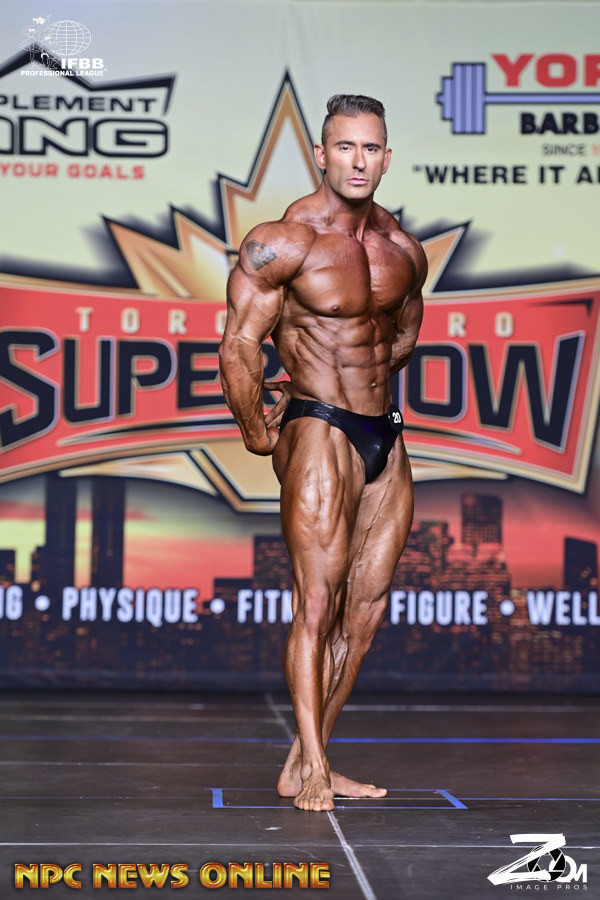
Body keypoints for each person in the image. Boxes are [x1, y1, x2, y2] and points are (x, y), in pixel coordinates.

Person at [219, 94, 427, 812]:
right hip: (319, 423)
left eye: (370, 148)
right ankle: (312, 766)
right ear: (321, 154)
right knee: (316, 601)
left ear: (387, 158)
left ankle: (310, 759)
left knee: (363, 613)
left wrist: (366, 378)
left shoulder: (403, 249)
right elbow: (239, 345)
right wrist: (257, 430)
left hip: (383, 431)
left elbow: (403, 334)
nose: (358, 161)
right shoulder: (284, 242)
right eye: (345, 147)